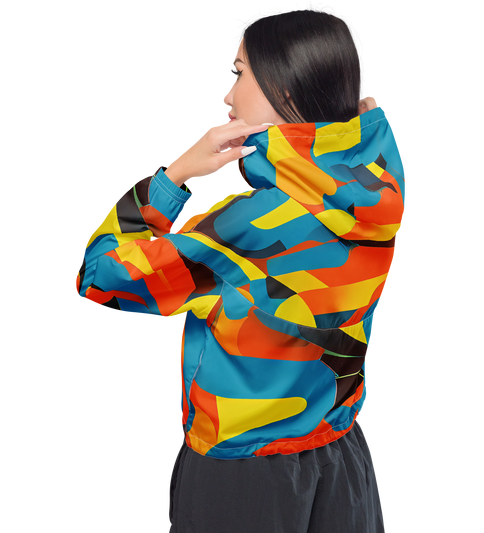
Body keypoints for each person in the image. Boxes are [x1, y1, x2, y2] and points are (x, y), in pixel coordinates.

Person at [73, 2, 407, 532]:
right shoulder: (382, 190)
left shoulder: (241, 227)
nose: (226, 95)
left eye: (238, 72)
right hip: (343, 456)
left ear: (286, 87)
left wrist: (175, 174)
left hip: (244, 477)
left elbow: (98, 277)